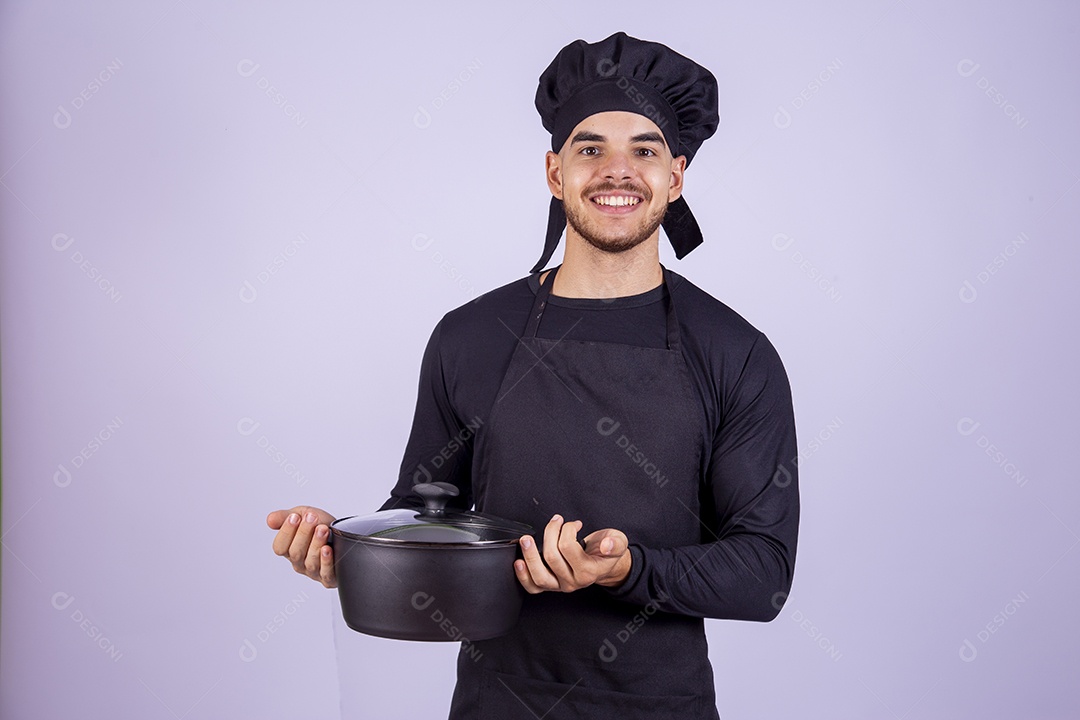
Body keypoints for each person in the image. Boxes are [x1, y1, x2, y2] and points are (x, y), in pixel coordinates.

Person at [267, 32, 799, 720]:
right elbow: (425, 515)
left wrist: (627, 568)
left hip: (661, 706)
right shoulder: (469, 337)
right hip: (498, 703)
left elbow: (763, 576)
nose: (618, 170)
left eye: (644, 149)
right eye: (589, 149)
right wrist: (344, 545)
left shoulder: (736, 352)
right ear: (554, 173)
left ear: (676, 175)